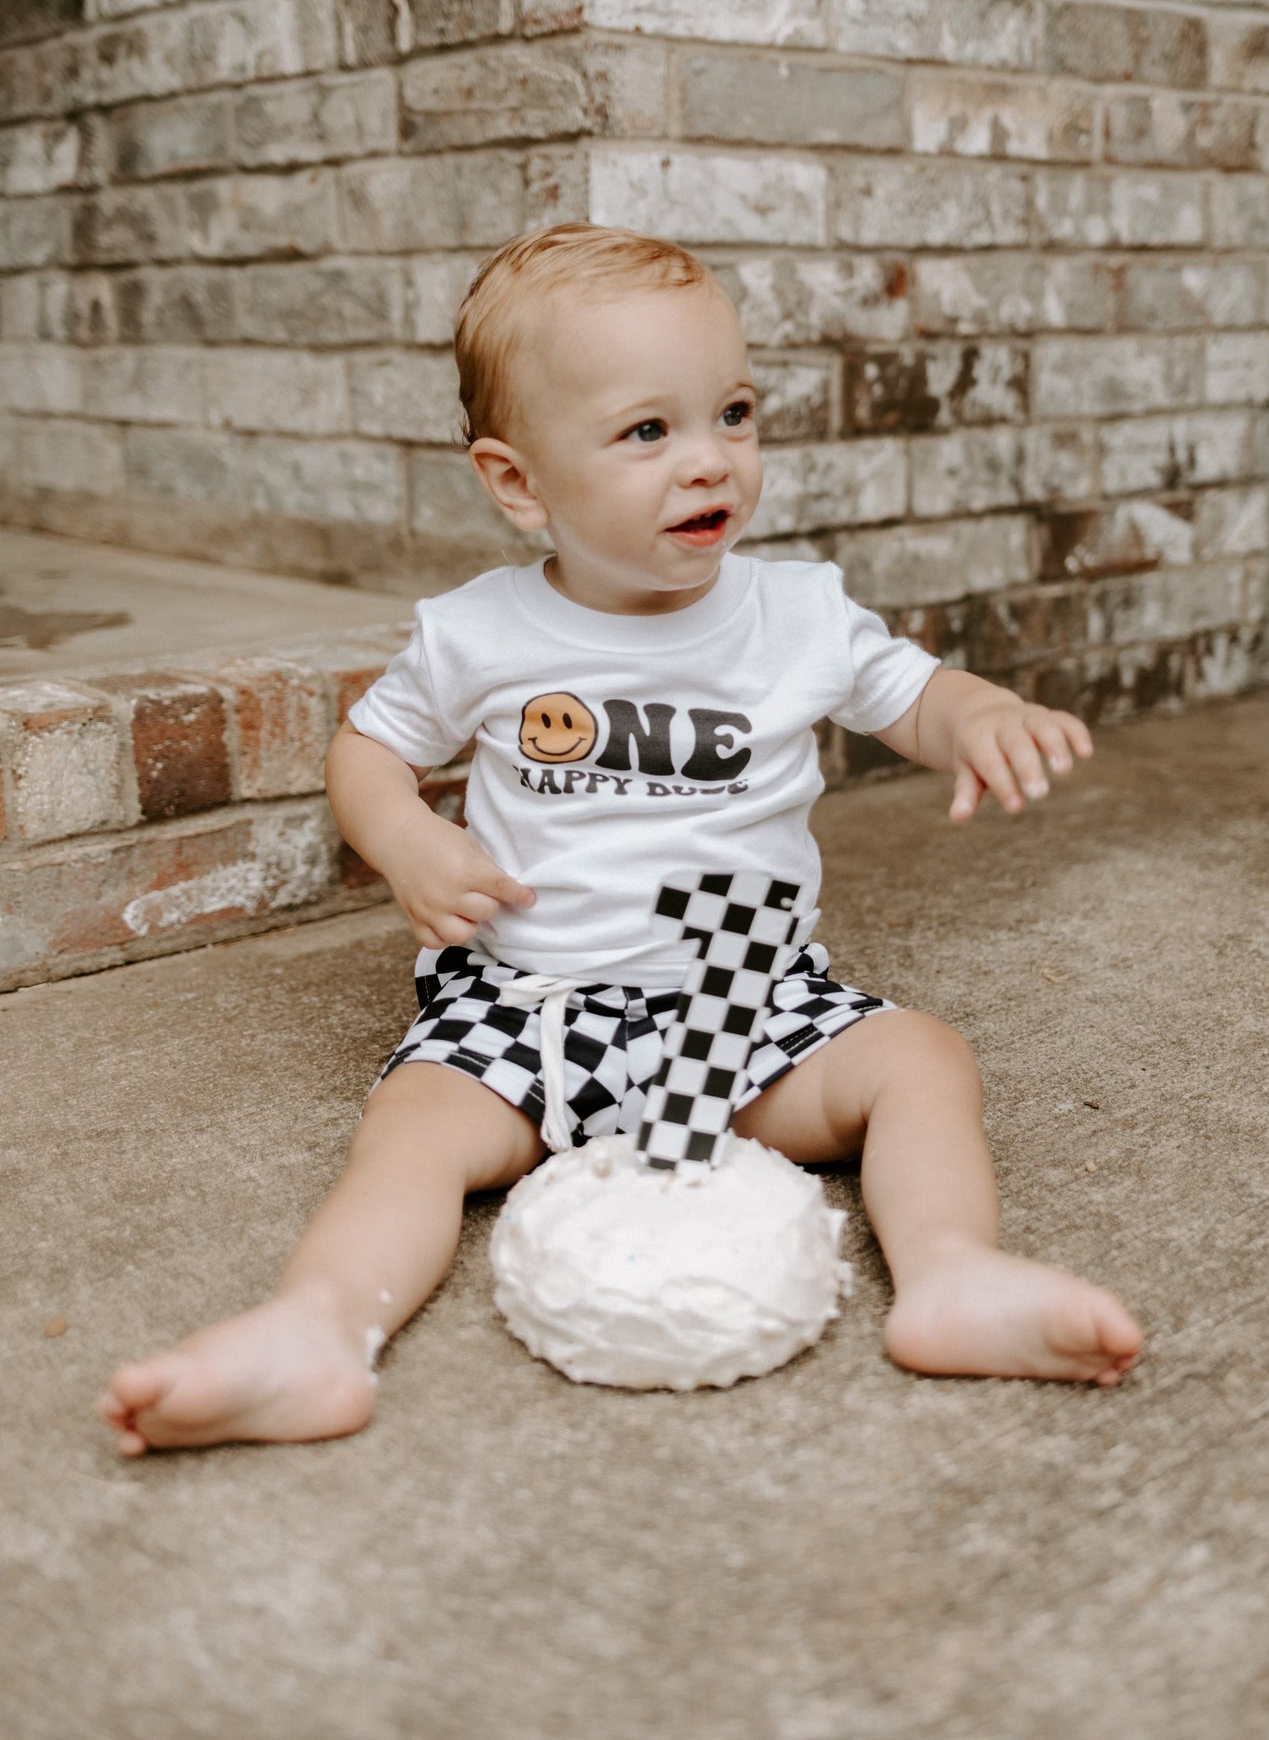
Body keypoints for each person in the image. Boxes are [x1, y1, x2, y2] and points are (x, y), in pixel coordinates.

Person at [100, 224, 1142, 1454]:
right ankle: (317, 1329)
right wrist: (405, 840)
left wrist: (983, 714)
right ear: (518, 481)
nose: (709, 461)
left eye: (734, 413)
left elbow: (912, 696)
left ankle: (955, 1275)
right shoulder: (479, 631)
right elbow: (368, 748)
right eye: (647, 431)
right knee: (413, 1130)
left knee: (918, 1060)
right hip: (529, 999)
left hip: (741, 997)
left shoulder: (797, 611)